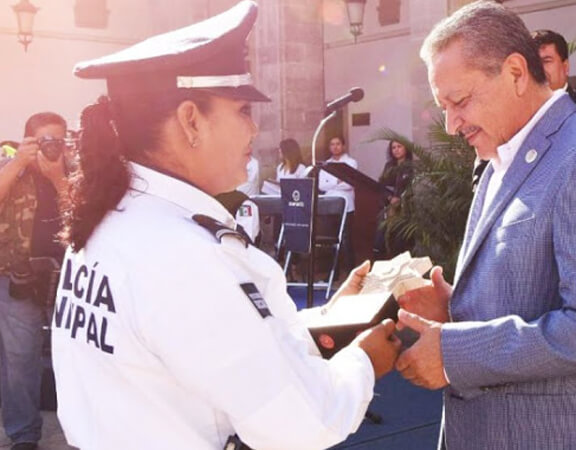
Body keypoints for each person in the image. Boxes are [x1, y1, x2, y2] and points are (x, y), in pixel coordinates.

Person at [50, 2, 400, 449]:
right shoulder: (183, 254)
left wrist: (331, 319)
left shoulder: (112, 219)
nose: (254, 129)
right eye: (241, 110)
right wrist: (364, 361)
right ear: (190, 120)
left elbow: (195, 345)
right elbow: (302, 425)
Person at [394, 2, 576, 449]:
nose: (451, 124)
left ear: (516, 73)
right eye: (443, 107)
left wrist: (457, 352)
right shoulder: (499, 159)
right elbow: (531, 292)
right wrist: (458, 309)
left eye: (459, 101)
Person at [0, 112, 69, 450]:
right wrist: (16, 166)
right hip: (18, 276)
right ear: (28, 141)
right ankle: (24, 436)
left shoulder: (73, 170)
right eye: (44, 140)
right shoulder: (8, 165)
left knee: (73, 355)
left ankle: (80, 428)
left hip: (66, 278)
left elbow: (81, 213)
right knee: (19, 358)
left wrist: (57, 179)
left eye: (59, 140)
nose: (52, 147)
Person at [318, 135, 357, 274]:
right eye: (332, 144)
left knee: (346, 239)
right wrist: (337, 182)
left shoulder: (351, 163)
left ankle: (351, 272)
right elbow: (322, 185)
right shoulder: (326, 164)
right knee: (331, 240)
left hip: (346, 206)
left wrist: (332, 184)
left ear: (343, 146)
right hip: (329, 206)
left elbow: (349, 184)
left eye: (338, 144)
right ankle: (333, 273)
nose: (335, 147)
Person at [373, 139, 413, 258]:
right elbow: (382, 185)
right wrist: (390, 198)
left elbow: (413, 186)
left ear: (406, 148)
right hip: (387, 208)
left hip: (405, 210)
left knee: (400, 243)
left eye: (399, 146)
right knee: (379, 241)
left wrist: (400, 200)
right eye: (393, 147)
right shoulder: (389, 166)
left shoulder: (411, 166)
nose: (396, 150)